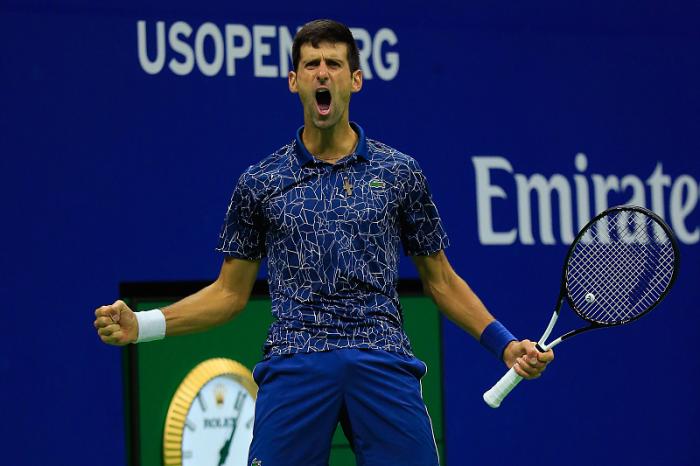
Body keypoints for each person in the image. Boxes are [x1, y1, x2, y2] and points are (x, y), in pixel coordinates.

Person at [94, 19, 553, 466]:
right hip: (296, 358)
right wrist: (142, 324)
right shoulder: (260, 182)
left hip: (381, 355)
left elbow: (442, 281)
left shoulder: (399, 173)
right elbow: (229, 294)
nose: (322, 73)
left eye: (333, 64)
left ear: (355, 80)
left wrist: (505, 345)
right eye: (311, 64)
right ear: (294, 81)